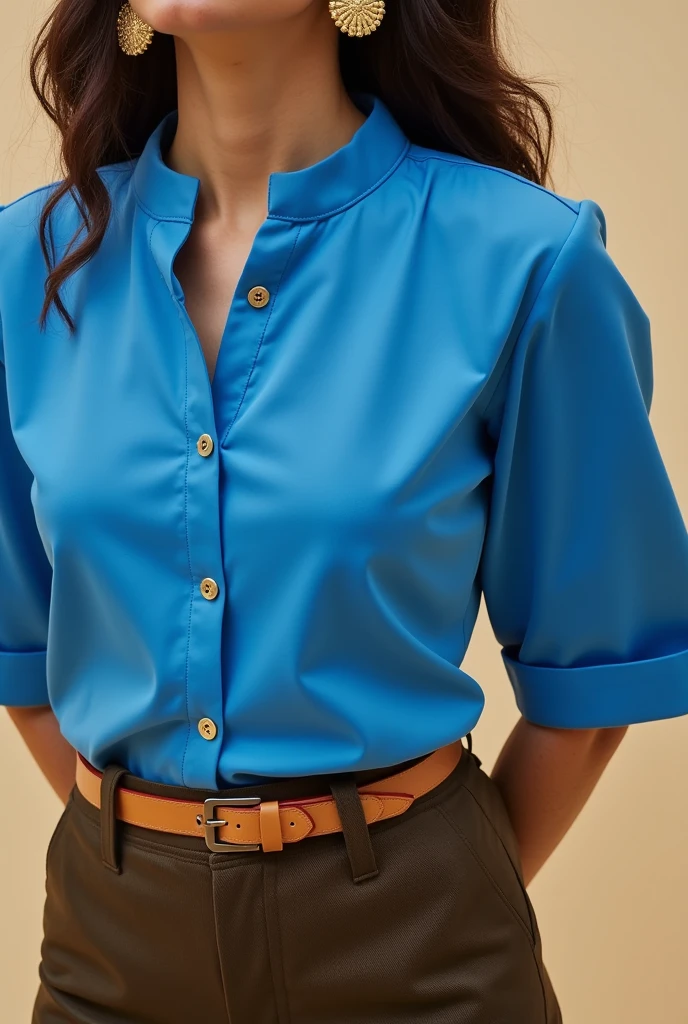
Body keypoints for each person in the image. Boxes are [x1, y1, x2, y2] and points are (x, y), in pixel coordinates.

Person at [2, 1, 688, 1021]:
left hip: (420, 953)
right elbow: (24, 656)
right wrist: (151, 851)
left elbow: (593, 685)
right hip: (110, 953)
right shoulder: (26, 265)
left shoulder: (524, 262)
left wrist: (423, 886)